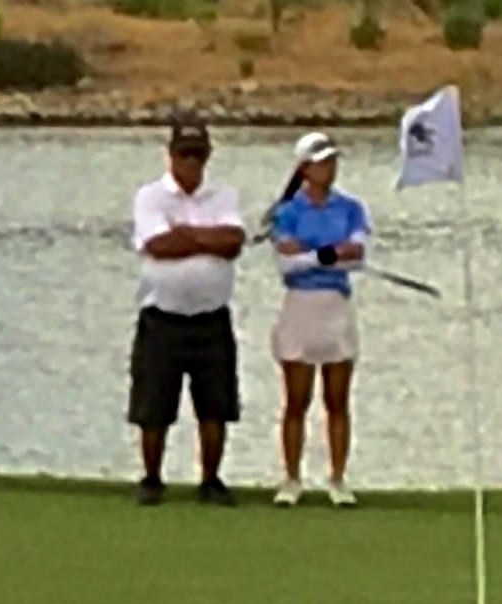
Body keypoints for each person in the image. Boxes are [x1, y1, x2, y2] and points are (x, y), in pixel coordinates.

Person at [128, 118, 247, 505]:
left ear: (208, 156)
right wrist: (205, 237)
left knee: (215, 406)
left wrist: (187, 234)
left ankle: (211, 480)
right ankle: (151, 478)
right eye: (184, 154)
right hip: (162, 316)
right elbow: (159, 245)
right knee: (154, 405)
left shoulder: (223, 196)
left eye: (198, 154)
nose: (191, 162)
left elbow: (232, 242)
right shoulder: (150, 196)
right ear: (171, 155)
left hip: (211, 317)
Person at [268, 132, 372, 508]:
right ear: (305, 168)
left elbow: (357, 257)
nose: (328, 168)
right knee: (297, 399)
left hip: (335, 304)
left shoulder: (351, 208)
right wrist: (330, 253)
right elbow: (287, 263)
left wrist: (312, 253)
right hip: (300, 304)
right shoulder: (286, 212)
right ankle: (292, 478)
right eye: (320, 162)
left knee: (337, 399)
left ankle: (338, 479)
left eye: (332, 161)